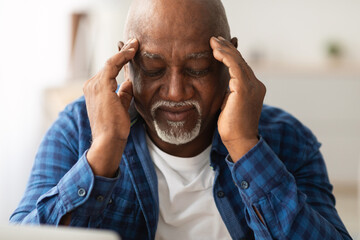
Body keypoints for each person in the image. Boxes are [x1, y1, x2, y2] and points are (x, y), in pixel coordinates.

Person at [10, 0, 351, 239]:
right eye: (154, 68)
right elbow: (24, 235)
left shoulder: (286, 138)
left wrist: (245, 147)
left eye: (198, 68)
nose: (175, 91)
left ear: (229, 59)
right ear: (125, 61)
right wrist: (103, 153)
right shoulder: (77, 129)